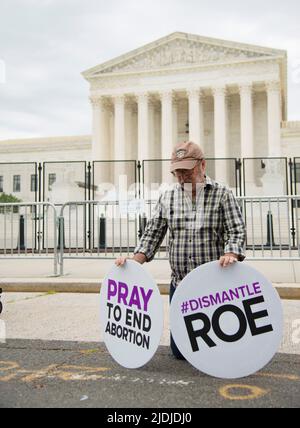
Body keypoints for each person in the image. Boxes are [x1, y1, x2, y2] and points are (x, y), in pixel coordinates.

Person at [115, 141, 246, 359]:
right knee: (181, 353)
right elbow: (153, 233)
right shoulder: (168, 197)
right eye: (177, 172)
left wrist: (231, 253)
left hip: (214, 285)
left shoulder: (223, 194)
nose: (182, 176)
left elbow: (237, 231)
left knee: (217, 348)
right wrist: (133, 263)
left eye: (186, 170)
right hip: (181, 284)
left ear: (202, 166)